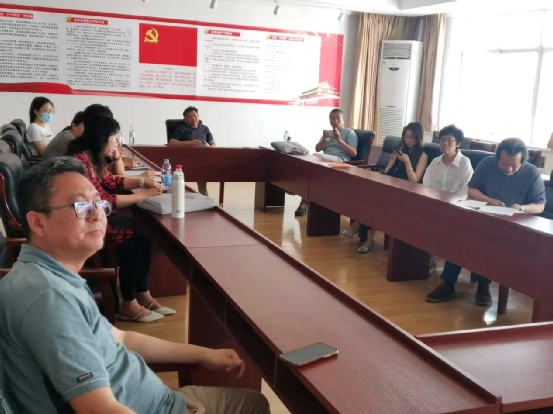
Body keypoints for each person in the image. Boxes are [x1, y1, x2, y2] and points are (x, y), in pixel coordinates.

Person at [0, 157, 270, 414]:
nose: (98, 215)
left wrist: (203, 354)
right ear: (38, 222)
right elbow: (98, 409)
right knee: (253, 406)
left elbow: (121, 338)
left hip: (162, 401)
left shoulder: (54, 275)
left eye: (99, 204)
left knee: (253, 403)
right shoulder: (48, 298)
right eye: (81, 207)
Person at [67, 114, 173, 322]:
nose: (117, 143)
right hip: (82, 220)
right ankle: (129, 305)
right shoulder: (79, 162)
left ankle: (143, 295)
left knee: (143, 237)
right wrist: (144, 195)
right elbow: (105, 201)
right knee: (133, 241)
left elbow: (111, 181)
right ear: (101, 137)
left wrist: (142, 183)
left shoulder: (91, 157)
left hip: (93, 214)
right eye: (114, 138)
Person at [426, 138, 546, 306]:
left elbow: (540, 206)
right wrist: (490, 200)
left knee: (490, 242)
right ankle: (448, 283)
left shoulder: (531, 173)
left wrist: (522, 208)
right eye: (504, 164)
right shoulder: (487, 164)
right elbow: (472, 189)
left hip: (513, 226)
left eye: (514, 165)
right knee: (459, 235)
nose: (508, 169)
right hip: (484, 218)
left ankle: (483, 286)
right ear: (497, 157)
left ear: (523, 161)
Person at [357, 122, 428, 253]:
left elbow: (415, 180)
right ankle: (365, 234)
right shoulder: (401, 151)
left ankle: (366, 237)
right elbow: (386, 172)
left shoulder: (423, 156)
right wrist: (393, 160)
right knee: (368, 197)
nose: (408, 140)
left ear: (418, 137)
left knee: (375, 202)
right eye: (405, 137)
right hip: (391, 186)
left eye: (411, 137)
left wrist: (407, 162)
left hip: (405, 192)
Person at [422, 124, 473, 272]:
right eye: (442, 140)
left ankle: (432, 258)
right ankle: (422, 256)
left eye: (449, 140)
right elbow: (426, 185)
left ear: (458, 144)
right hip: (434, 205)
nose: (445, 143)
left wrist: (445, 204)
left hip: (456, 207)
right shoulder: (435, 162)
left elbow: (464, 191)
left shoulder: (464, 163)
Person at [295, 108, 358, 216]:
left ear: (343, 119)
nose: (335, 121)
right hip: (325, 161)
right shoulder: (328, 133)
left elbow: (354, 153)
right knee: (309, 162)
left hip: (340, 161)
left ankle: (303, 199)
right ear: (329, 121)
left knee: (315, 157)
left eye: (338, 118)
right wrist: (324, 139)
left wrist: (340, 141)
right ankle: (302, 194)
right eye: (332, 118)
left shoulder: (350, 133)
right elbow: (317, 148)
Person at [169, 106, 216, 197]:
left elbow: (213, 144)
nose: (193, 118)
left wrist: (209, 147)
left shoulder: (205, 128)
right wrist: (189, 143)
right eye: (189, 116)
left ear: (198, 116)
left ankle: (203, 193)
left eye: (194, 115)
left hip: (202, 158)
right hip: (186, 158)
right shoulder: (181, 128)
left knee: (203, 168)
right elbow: (171, 142)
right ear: (185, 120)